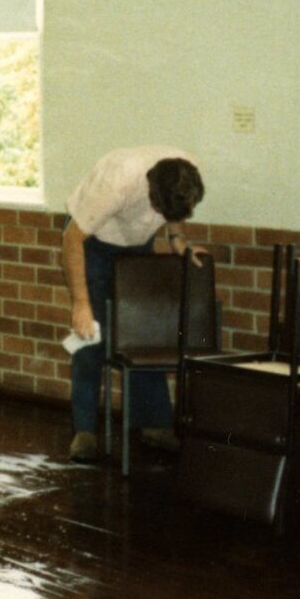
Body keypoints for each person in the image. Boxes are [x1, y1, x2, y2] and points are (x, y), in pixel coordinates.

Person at [61, 147, 205, 463]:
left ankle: (154, 425)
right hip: (92, 242)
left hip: (136, 243)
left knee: (143, 333)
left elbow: (176, 214)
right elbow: (71, 240)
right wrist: (81, 304)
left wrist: (179, 242)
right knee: (90, 336)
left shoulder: (186, 172)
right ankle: (84, 431)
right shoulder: (118, 181)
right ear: (150, 191)